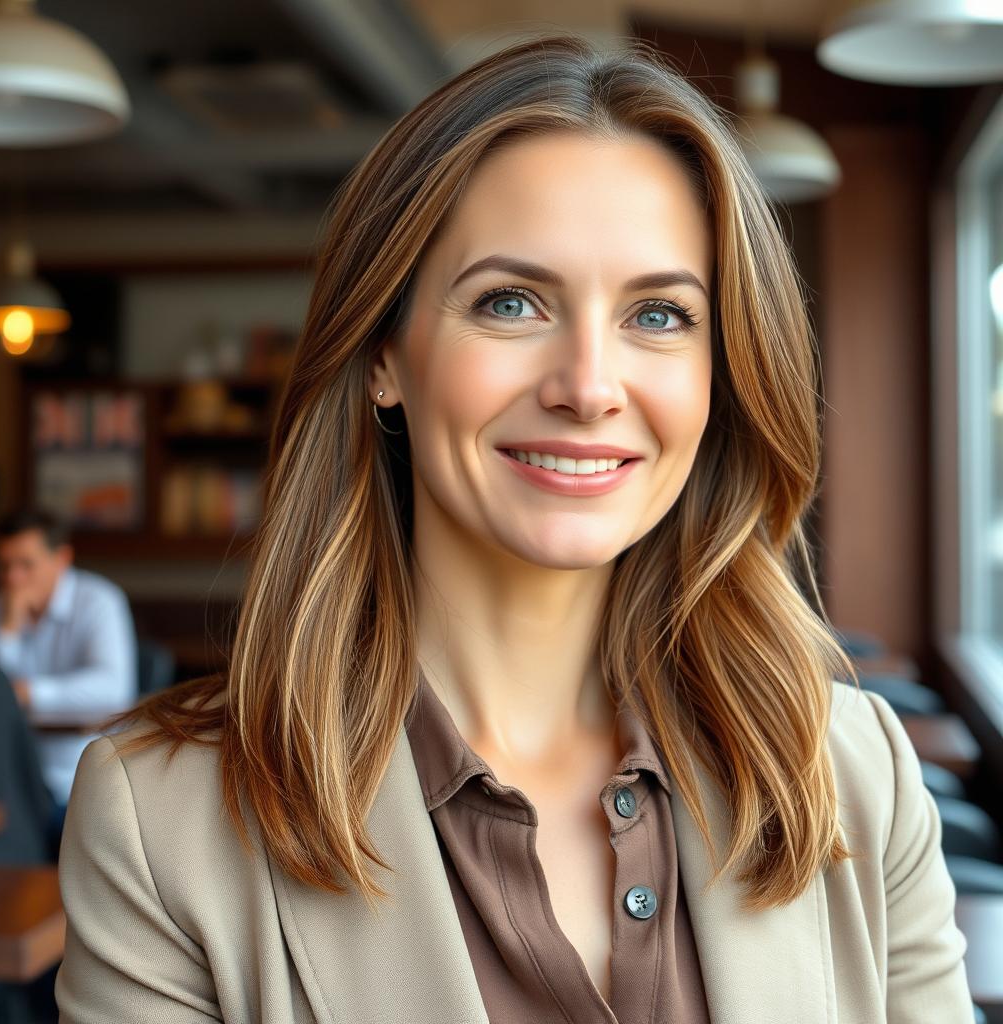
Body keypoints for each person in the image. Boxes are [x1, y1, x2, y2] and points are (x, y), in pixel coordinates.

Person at [53, 34, 974, 1024]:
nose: (586, 386)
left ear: (722, 372)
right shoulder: (162, 822)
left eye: (658, 315)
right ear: (382, 356)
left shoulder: (853, 772)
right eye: (510, 301)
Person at [0, 508, 137, 819]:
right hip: (10, 784)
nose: (13, 578)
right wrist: (8, 630)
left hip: (81, 778)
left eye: (25, 564)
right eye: (5, 565)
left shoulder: (100, 601)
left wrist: (29, 693)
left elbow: (113, 687)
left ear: (62, 558)